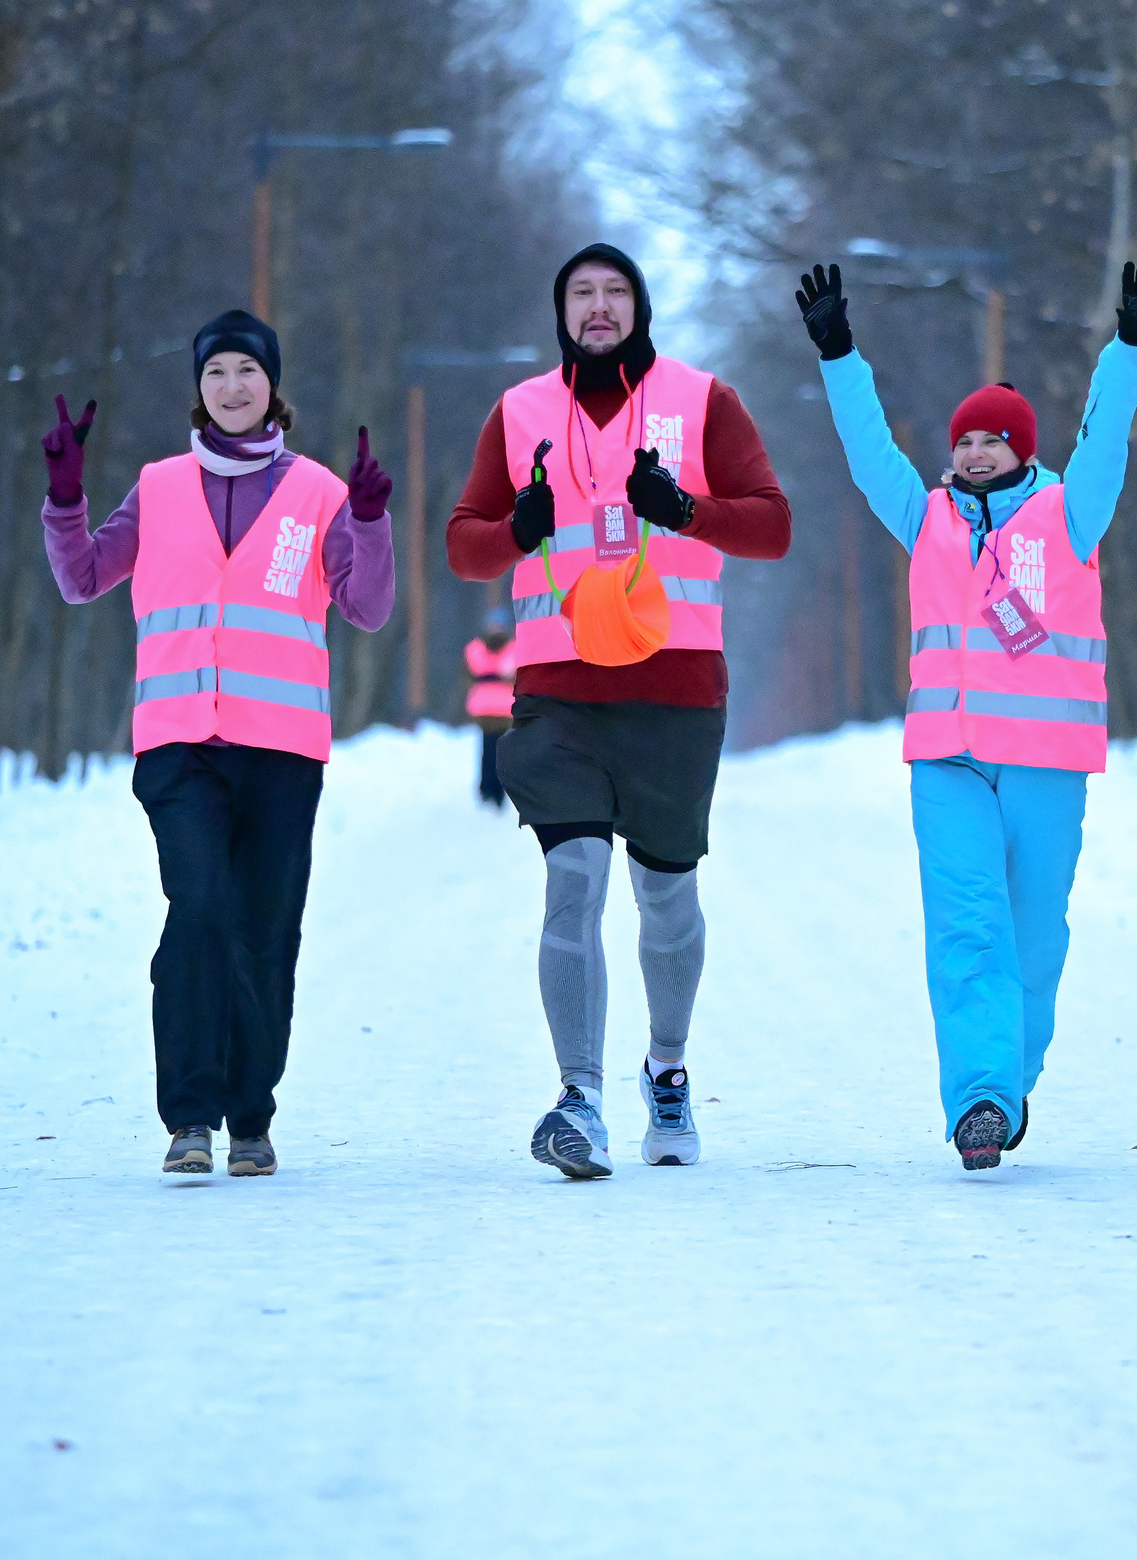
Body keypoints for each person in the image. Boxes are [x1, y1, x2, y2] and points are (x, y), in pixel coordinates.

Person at [799, 258, 1137, 1170]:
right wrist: (840, 355)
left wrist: (1128, 346)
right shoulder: (923, 519)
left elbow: (1107, 441)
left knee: (1034, 939)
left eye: (993, 442)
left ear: (1023, 451)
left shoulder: (1069, 516)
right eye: (966, 441)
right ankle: (980, 1101)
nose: (975, 453)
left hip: (1047, 763)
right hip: (949, 762)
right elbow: (868, 453)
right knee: (967, 926)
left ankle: (1011, 1076)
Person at [446, 244, 791, 1177]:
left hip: (676, 688)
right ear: (560, 312)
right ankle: (580, 1096)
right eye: (580, 295)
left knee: (666, 896)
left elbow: (773, 524)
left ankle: (667, 1070)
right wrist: (521, 525)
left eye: (614, 293)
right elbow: (465, 548)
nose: (598, 309)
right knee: (575, 881)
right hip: (559, 691)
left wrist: (683, 509)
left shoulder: (702, 400)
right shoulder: (520, 413)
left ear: (640, 306)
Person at [41, 308, 395, 1179]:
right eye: (215, 373)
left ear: (273, 385)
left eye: (247, 370)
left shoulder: (317, 492)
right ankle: (189, 1117)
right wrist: (63, 498)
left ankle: (252, 1116)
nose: (232, 387)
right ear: (197, 390)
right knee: (198, 911)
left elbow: (369, 607)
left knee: (264, 930)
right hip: (179, 747)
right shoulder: (158, 488)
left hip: (282, 751)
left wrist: (373, 521)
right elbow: (83, 576)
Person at [463, 610, 518, 808]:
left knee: (487, 750)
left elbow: (468, 674)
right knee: (501, 751)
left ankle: (486, 790)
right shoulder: (514, 648)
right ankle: (498, 792)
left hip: (483, 707)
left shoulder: (475, 648)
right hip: (505, 707)